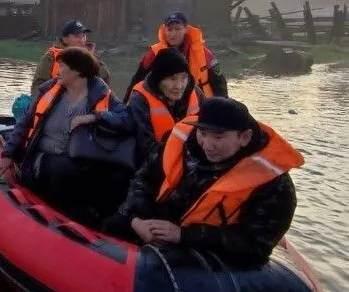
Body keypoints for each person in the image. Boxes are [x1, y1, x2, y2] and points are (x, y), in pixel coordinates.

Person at [103, 97, 302, 267]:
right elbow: (144, 180)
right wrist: (135, 219)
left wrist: (183, 236)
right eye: (203, 133)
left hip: (205, 253)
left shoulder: (274, 184)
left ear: (245, 137)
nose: (208, 145)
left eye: (218, 137)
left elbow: (255, 244)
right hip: (152, 226)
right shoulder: (178, 144)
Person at [0, 47, 133, 224]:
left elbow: (126, 120)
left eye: (62, 66)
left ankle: (104, 221)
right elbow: (23, 123)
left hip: (83, 157)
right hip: (45, 156)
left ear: (77, 71)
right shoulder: (48, 90)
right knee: (65, 169)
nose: (57, 70)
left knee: (116, 176)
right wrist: (7, 155)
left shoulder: (101, 93)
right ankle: (61, 220)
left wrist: (95, 116)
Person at [123, 12, 227, 102]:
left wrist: (224, 108)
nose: (173, 34)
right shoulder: (154, 54)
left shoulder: (205, 54)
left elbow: (220, 83)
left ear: (186, 29)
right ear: (164, 30)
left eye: (177, 29)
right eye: (170, 29)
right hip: (167, 102)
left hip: (201, 105)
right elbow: (136, 81)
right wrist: (126, 104)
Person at [128, 48, 204, 163]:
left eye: (184, 77)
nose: (179, 86)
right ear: (158, 79)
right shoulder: (140, 100)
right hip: (155, 161)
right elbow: (147, 147)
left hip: (194, 156)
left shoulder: (196, 93)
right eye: (172, 78)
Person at [30, 20, 111, 96]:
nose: (82, 40)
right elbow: (37, 86)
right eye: (77, 36)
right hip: (56, 103)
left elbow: (105, 78)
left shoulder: (89, 56)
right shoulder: (50, 57)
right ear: (65, 39)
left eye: (83, 36)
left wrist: (90, 59)